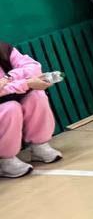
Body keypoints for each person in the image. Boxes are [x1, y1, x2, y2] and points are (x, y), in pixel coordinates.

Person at [0, 41, 62, 178]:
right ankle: (6, 161)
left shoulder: (3, 48)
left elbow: (33, 67)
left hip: (12, 92)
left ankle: (39, 146)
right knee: (10, 108)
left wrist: (9, 77)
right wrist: (26, 83)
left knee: (36, 96)